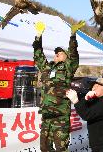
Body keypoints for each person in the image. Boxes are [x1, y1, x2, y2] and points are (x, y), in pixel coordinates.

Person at [32, 20, 85, 152]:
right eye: (55, 52)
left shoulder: (68, 67)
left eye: (60, 52)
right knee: (44, 148)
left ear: (66, 57)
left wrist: (73, 36)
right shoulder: (47, 67)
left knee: (61, 148)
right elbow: (38, 56)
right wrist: (38, 36)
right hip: (46, 116)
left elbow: (73, 54)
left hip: (60, 116)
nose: (56, 54)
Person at [66, 77, 103, 152]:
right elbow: (83, 106)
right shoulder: (94, 100)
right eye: (94, 85)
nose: (95, 87)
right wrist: (85, 98)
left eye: (99, 86)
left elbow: (86, 115)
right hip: (98, 144)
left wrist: (76, 101)